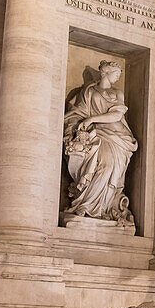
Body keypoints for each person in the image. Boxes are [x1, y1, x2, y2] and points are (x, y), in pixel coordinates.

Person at [63, 60, 137, 223]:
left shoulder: (118, 94)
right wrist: (82, 125)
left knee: (113, 169)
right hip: (98, 134)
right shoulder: (88, 92)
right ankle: (87, 205)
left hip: (118, 137)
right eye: (116, 74)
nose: (118, 77)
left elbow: (117, 115)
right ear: (106, 72)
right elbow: (77, 112)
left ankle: (106, 207)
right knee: (105, 164)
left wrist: (91, 120)